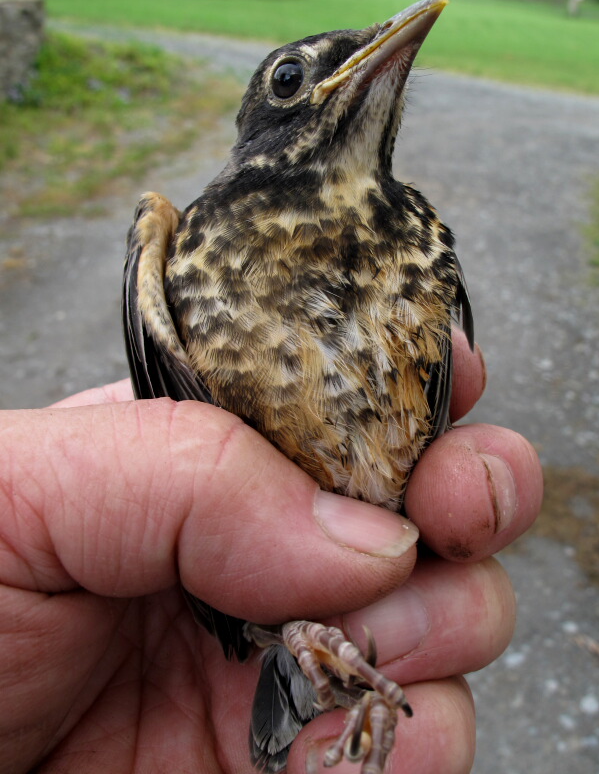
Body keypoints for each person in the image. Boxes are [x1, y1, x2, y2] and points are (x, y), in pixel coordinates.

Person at [0, 331, 542, 774]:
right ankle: (297, 641)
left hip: (326, 575)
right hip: (230, 604)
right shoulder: (172, 237)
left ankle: (310, 647)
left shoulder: (419, 237)